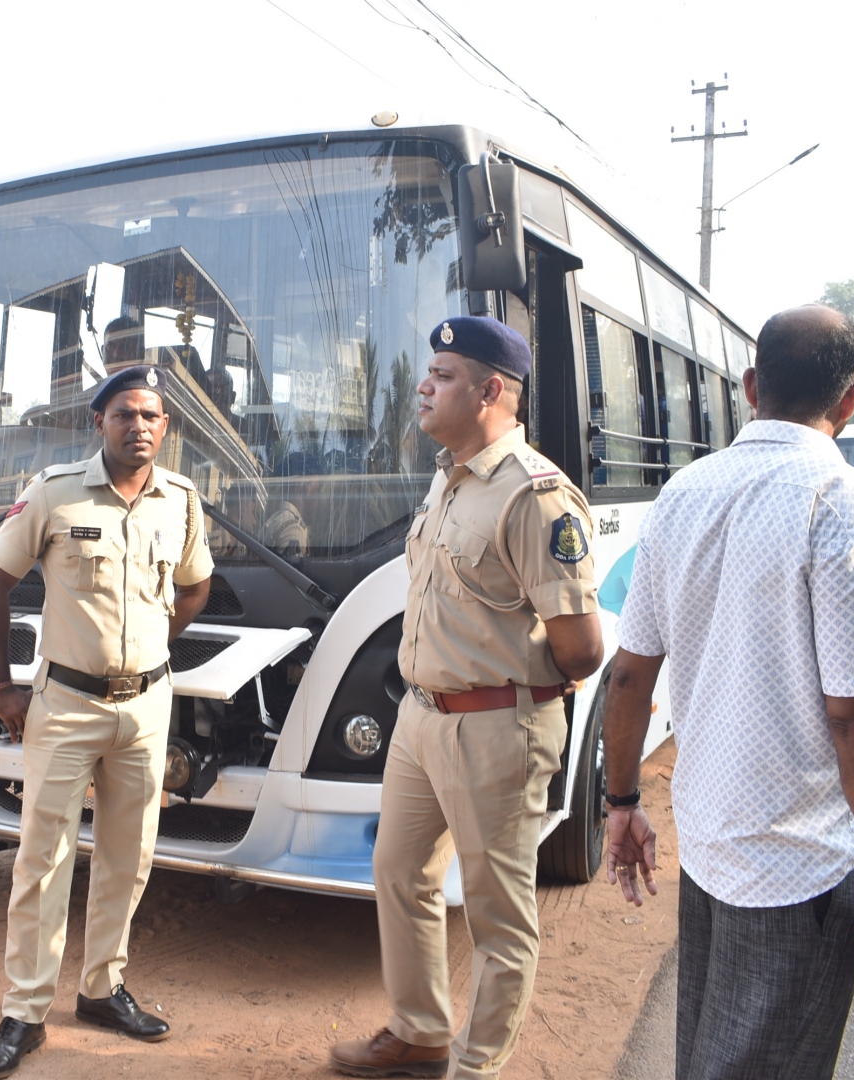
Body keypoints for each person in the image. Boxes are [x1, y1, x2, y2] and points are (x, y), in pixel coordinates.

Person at [603, 305, 854, 1079]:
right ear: (848, 401)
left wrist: (620, 804)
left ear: (750, 387)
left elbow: (630, 670)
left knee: (712, 1055)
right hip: (796, 863)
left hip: (711, 842)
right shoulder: (843, 501)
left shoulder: (683, 494)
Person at [330, 318, 604, 1080]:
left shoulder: (535, 496)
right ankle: (420, 1035)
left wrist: (505, 679)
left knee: (496, 912)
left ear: (491, 390)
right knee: (400, 874)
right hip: (420, 719)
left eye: (443, 373)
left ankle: (475, 1066)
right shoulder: (448, 480)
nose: (423, 384)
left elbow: (580, 646)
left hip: (494, 726)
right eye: (429, 370)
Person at [0, 365, 214, 1079]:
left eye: (153, 416)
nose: (140, 426)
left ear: (165, 427)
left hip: (145, 705)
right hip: (65, 705)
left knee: (127, 856)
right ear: (98, 421)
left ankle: (103, 990)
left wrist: (154, 645)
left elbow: (194, 584)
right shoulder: (53, 492)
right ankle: (24, 1010)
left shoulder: (181, 499)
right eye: (125, 414)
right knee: (41, 859)